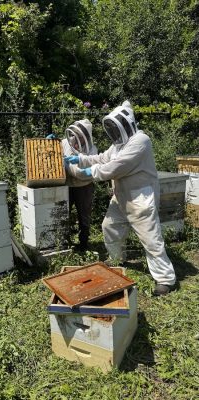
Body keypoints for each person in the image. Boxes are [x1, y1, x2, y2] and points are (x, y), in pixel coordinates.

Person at [64, 101, 176, 296]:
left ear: (126, 124)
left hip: (140, 198)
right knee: (109, 226)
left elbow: (115, 167)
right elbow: (102, 158)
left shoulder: (141, 141)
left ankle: (165, 280)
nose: (114, 132)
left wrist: (89, 171)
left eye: (116, 128)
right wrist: (81, 159)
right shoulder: (119, 145)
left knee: (151, 240)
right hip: (121, 196)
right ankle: (117, 260)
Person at [47, 119, 98, 251]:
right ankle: (63, 243)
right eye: (76, 135)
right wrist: (50, 143)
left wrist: (65, 164)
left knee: (84, 216)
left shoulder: (92, 150)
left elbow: (79, 173)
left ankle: (83, 244)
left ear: (87, 136)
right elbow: (50, 153)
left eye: (81, 136)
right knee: (63, 215)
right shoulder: (65, 143)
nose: (77, 139)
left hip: (84, 187)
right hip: (66, 186)